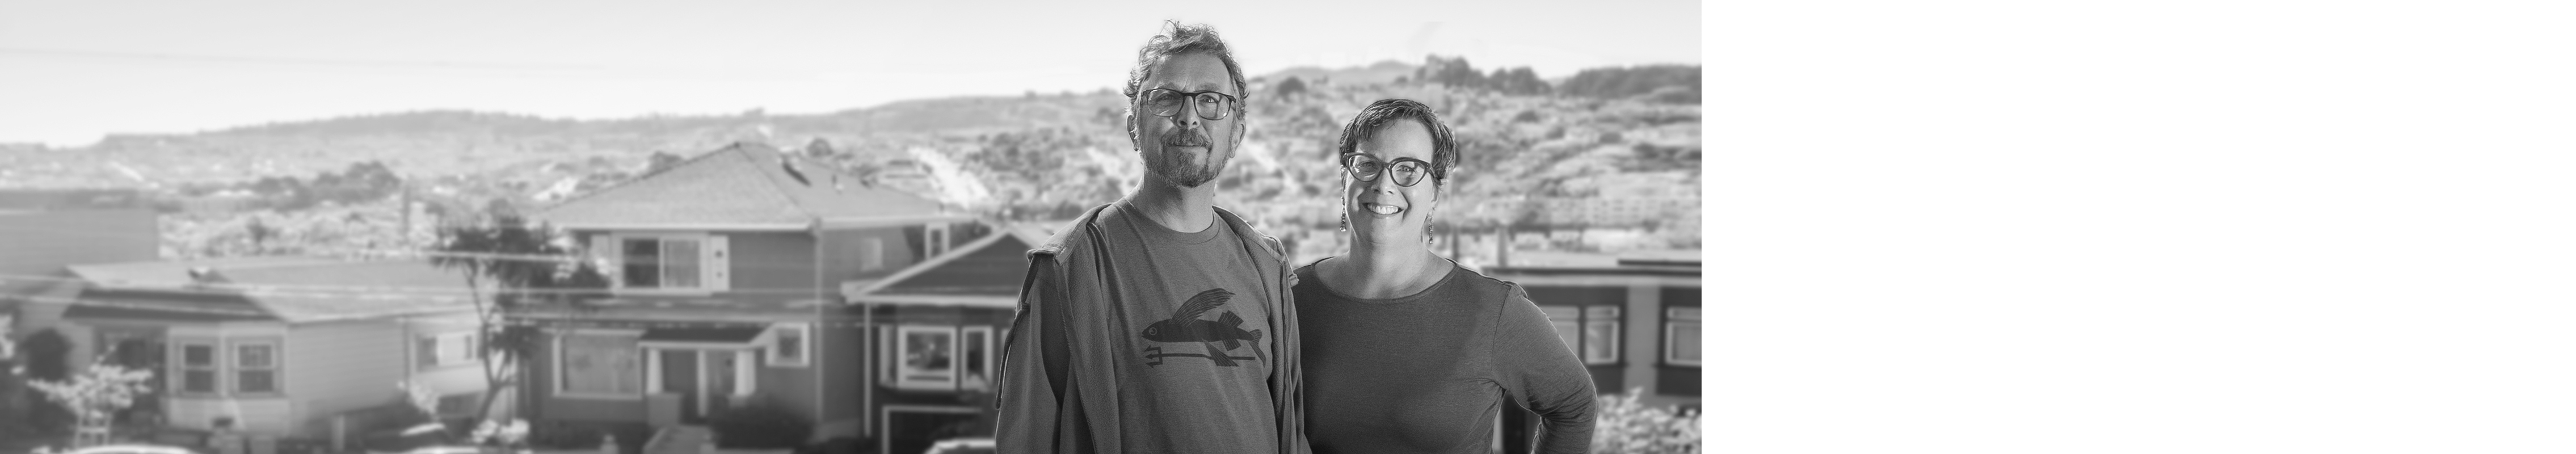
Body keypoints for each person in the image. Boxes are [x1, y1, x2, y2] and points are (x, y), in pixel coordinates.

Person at [994, 20, 1307, 454]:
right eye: (1166, 98)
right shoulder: (1071, 268)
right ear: (1133, 128)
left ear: (1236, 134)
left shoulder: (1267, 267)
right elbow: (1026, 440)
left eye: (1211, 100)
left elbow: (1291, 433)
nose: (1189, 115)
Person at [1295, 99, 1597, 453]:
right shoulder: (1292, 299)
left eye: (1408, 169)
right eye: (1367, 165)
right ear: (1345, 178)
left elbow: (1574, 405)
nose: (1383, 184)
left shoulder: (1492, 311)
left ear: (1435, 192)